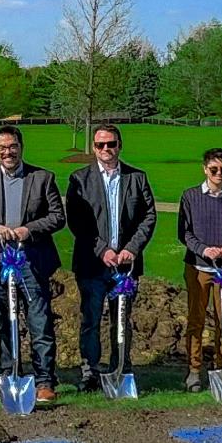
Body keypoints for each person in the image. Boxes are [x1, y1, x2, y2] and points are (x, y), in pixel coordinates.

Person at [0, 124, 66, 400]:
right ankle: (9, 374)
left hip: (31, 261)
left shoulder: (42, 178)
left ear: (21, 147)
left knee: (39, 320)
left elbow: (58, 216)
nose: (7, 152)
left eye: (12, 147)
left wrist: (28, 230)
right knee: (4, 319)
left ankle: (44, 380)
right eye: (1, 148)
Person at [64, 125, 156, 391]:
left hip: (126, 266)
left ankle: (120, 369)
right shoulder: (79, 180)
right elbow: (77, 222)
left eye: (111, 144)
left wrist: (132, 248)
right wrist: (102, 249)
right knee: (91, 319)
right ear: (94, 147)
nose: (106, 149)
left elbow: (148, 217)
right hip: (93, 265)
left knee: (122, 319)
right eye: (100, 145)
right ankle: (89, 372)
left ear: (120, 145)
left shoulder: (137, 178)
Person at [175, 148, 222, 392]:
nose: (219, 174)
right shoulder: (190, 196)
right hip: (199, 268)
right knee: (196, 319)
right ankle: (194, 370)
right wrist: (203, 249)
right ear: (205, 169)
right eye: (214, 169)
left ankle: (221, 368)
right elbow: (184, 232)